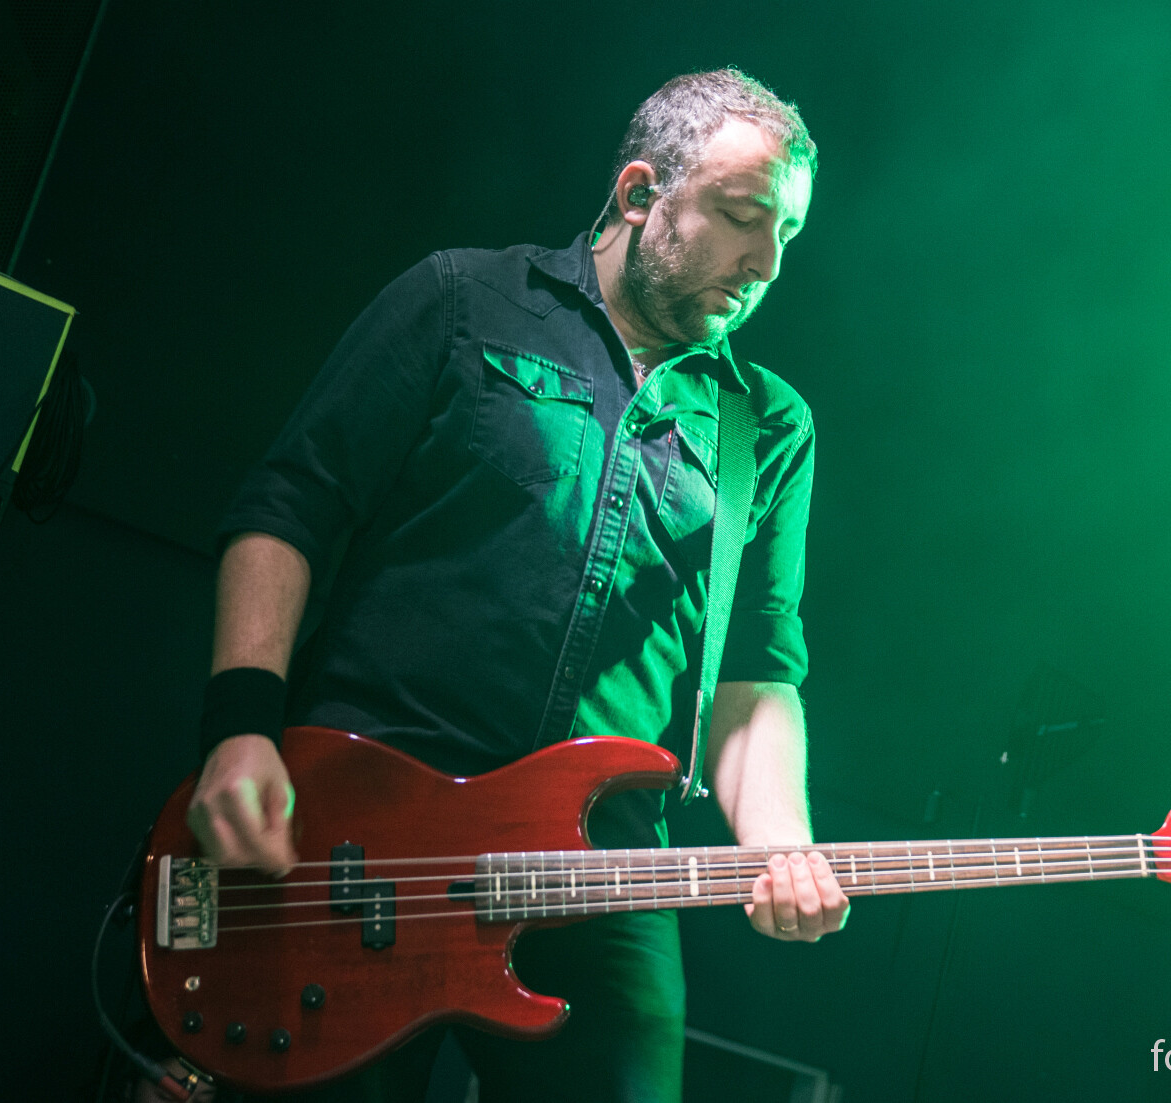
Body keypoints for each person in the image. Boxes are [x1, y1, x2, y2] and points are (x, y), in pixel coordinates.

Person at [186, 68, 848, 1102]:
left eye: (787, 233)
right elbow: (290, 508)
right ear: (640, 193)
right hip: (368, 813)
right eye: (740, 215)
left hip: (600, 863)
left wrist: (780, 843)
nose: (765, 261)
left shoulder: (768, 424)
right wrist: (239, 727)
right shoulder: (461, 298)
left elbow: (757, 672)